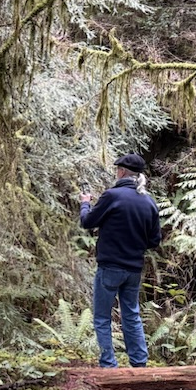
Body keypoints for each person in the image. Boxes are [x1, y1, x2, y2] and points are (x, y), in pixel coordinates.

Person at [79, 153, 162, 368]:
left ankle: (108, 365)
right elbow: (154, 241)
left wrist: (85, 204)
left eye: (117, 169)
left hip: (110, 267)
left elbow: (87, 222)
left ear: (122, 172)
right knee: (131, 316)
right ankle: (140, 364)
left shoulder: (112, 196)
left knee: (102, 318)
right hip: (134, 269)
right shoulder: (149, 202)